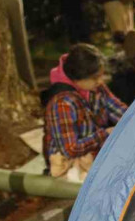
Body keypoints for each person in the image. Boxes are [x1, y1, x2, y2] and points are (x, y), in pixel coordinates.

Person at [42, 44, 128, 181]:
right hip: (71, 166)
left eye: (101, 75)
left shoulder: (96, 87)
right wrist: (104, 134)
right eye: (95, 78)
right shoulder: (62, 103)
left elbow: (117, 109)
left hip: (94, 154)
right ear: (78, 78)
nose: (100, 81)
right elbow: (69, 149)